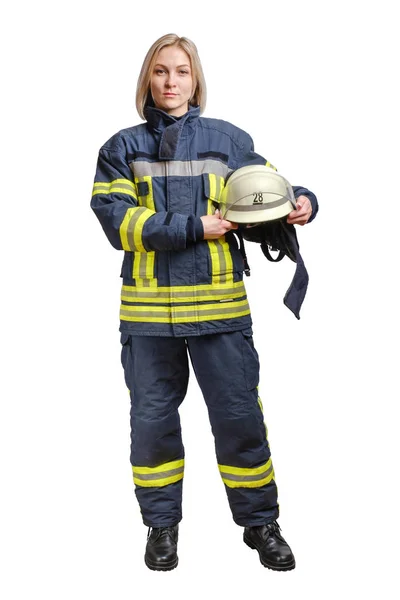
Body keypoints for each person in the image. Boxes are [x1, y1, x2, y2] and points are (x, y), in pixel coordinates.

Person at [91, 33, 318, 572]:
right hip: (149, 317)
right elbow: (117, 222)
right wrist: (195, 226)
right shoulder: (120, 148)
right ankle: (161, 527)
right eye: (162, 72)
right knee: (152, 423)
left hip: (220, 310)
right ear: (148, 78)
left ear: (197, 80)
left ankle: (260, 523)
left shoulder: (227, 141)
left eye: (182, 72)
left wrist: (304, 202)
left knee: (240, 418)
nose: (172, 82)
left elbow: (267, 189)